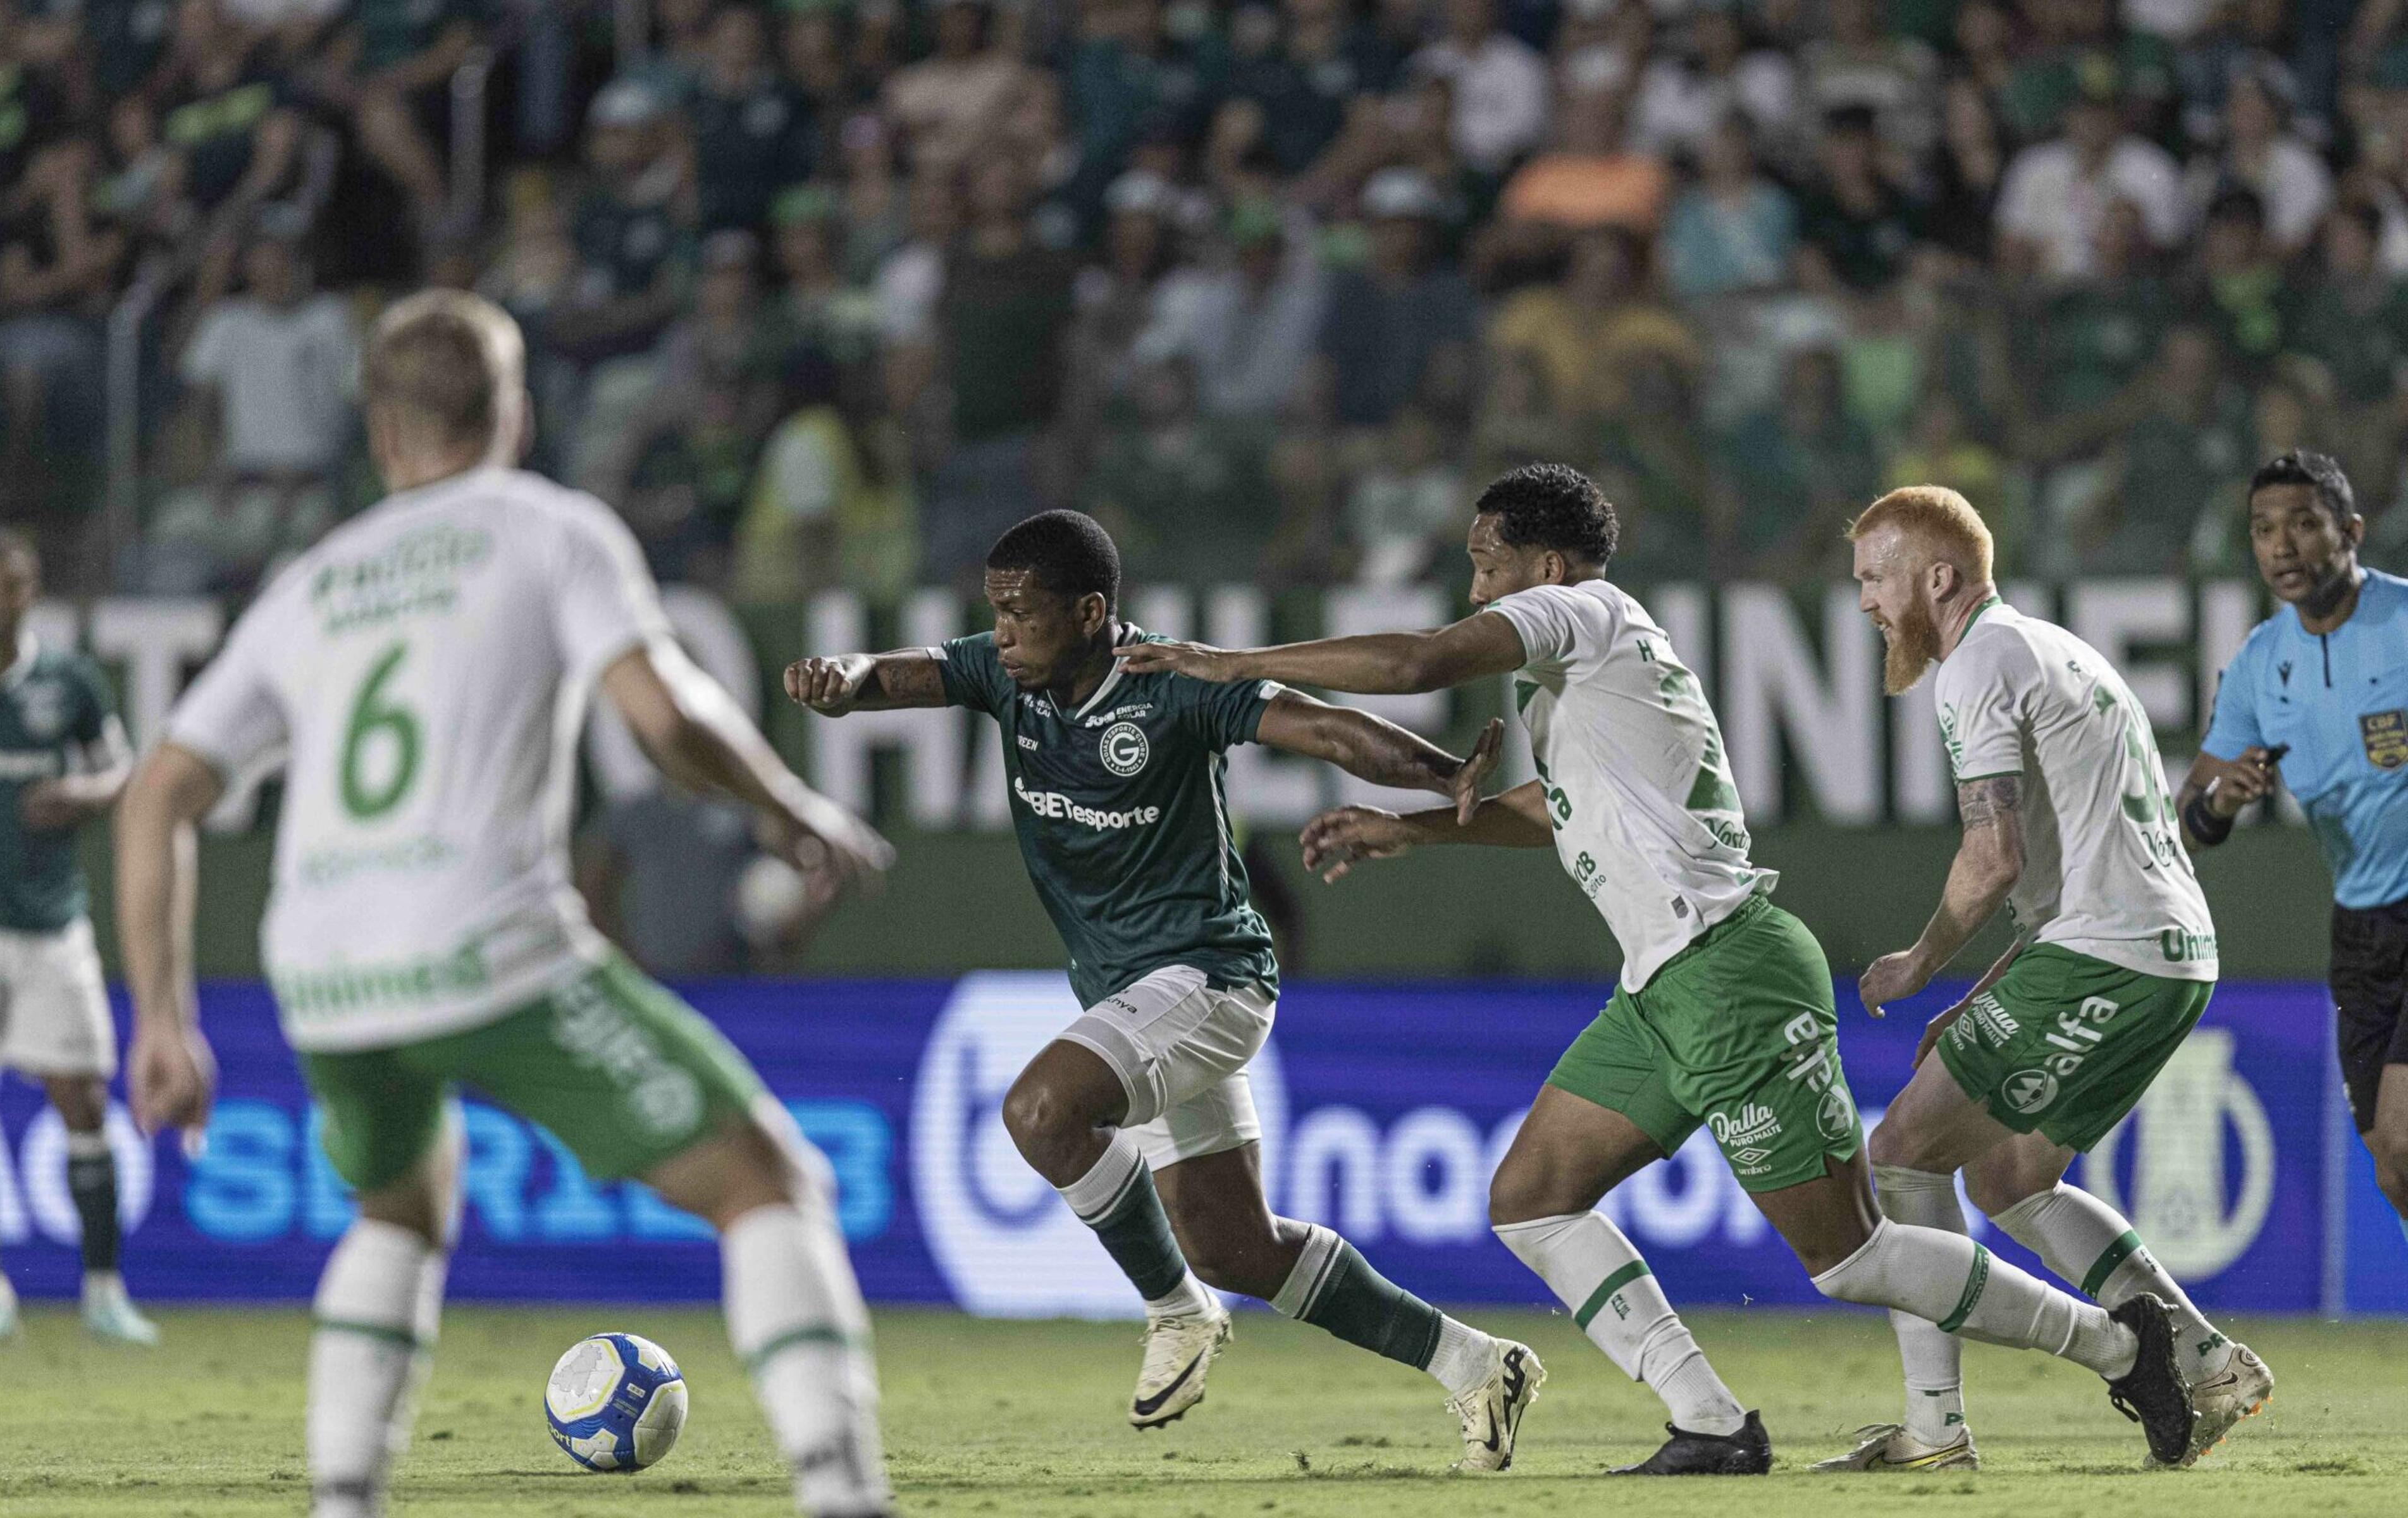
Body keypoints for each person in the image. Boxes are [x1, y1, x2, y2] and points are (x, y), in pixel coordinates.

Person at [1120, 464, 2199, 1474]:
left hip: (1730, 969)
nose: (1474, 585)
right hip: (1662, 988)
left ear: (1543, 565)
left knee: (1849, 1258)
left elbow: (1415, 663)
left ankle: (2119, 1348)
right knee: (1532, 1199)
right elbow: (1560, 809)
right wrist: (1417, 832)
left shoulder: (1580, 611)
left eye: (1485, 562)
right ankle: (1711, 1421)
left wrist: (1231, 662)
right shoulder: (1581, 680)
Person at [116, 291, 899, 1518]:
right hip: (484, 941)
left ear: (379, 431)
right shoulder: (550, 530)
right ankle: (845, 1491)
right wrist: (794, 809)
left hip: (322, 974)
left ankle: (343, 1495)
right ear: (519, 415)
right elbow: (666, 716)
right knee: (764, 1183)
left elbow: (156, 792)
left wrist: (161, 1023)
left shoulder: (313, 581)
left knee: (399, 1206)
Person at [783, 510, 1545, 1469]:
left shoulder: (1171, 686)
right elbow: (898, 673)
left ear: (1092, 610)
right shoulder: (1001, 673)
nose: (1004, 632)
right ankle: (1479, 1364)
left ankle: (1176, 1312)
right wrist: (843, 680)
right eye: (996, 613)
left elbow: (1324, 729)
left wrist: (1442, 775)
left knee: (1040, 1112)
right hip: (1134, 991)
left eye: (1022, 613)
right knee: (1237, 1246)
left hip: (1210, 978)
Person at [1843, 485, 2269, 1471]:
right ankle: (2206, 1358)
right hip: (2162, 954)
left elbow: (1991, 860)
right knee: (2011, 1175)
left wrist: (1919, 961)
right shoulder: (2058, 648)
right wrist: (1984, 993)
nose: (1864, 601)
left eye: (1875, 577)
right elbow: (2064, 873)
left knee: (1902, 1152)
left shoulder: (1975, 666)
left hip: (2106, 955)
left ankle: (1935, 1428)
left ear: (1937, 576)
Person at [2182, 452, 2408, 1230]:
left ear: (2349, 531)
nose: (2283, 546)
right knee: (2389, 1159)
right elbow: (2186, 824)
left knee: (2406, 1138)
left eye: (2304, 525)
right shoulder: (2256, 666)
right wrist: (2223, 800)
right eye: (2265, 530)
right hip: (2363, 927)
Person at [0, 530, 151, 1347]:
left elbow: (126, 774)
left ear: (30, 591)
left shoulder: (70, 682)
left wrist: (77, 796)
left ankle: (104, 1290)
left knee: (83, 1101)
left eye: (11, 584)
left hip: (52, 925)